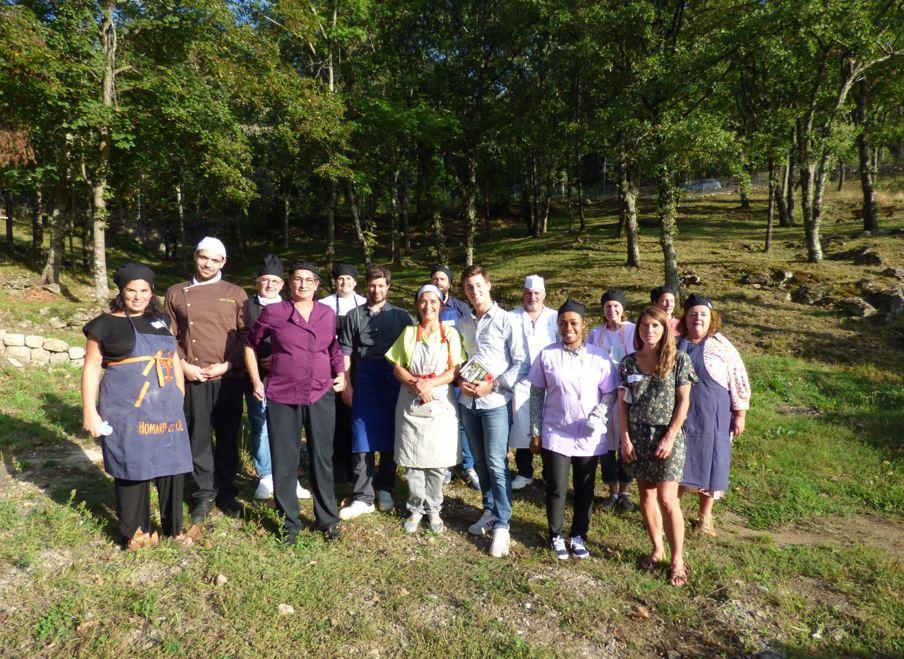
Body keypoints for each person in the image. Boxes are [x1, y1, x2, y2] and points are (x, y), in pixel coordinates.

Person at [82, 263, 193, 549]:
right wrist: (89, 411)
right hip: (126, 408)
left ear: (151, 292)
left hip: (166, 406)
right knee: (131, 465)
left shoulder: (163, 321)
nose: (138, 296)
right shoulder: (104, 325)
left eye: (144, 291)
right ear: (121, 291)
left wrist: (179, 394)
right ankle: (135, 533)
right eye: (132, 290)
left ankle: (173, 529)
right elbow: (91, 368)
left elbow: (172, 358)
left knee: (172, 464)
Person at [244, 262, 346, 544]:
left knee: (321, 458)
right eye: (298, 279)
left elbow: (333, 347)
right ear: (289, 283)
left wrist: (341, 373)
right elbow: (250, 344)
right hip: (283, 395)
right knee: (285, 459)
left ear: (317, 285)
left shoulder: (326, 313)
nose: (302, 285)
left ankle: (327, 520)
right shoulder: (275, 312)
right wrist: (256, 380)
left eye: (309, 280)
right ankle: (290, 523)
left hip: (320, 393)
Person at [164, 237, 248, 524]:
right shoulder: (176, 292)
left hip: (228, 377)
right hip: (194, 376)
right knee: (198, 436)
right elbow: (169, 336)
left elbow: (247, 335)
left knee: (227, 435)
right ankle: (203, 493)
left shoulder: (236, 293)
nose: (208, 264)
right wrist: (183, 365)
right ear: (195, 257)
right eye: (204, 258)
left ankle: (226, 491)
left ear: (223, 262)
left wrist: (228, 364)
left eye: (214, 260)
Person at [527, 299, 618, 560]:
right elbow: (536, 394)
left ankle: (579, 535)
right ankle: (556, 534)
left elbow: (610, 392)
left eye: (573, 323)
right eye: (563, 323)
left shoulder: (599, 357)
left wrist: (600, 413)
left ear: (583, 324)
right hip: (555, 432)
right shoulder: (547, 355)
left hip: (588, 435)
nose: (568, 328)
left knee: (584, 487)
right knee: (556, 486)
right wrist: (535, 430)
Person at [618, 306, 697, 587]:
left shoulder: (679, 360)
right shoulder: (628, 363)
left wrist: (670, 436)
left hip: (667, 436)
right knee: (647, 495)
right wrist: (625, 438)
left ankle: (677, 561)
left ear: (665, 330)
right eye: (644, 326)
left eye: (655, 326)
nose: (649, 331)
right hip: (638, 436)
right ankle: (657, 549)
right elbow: (623, 405)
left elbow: (684, 401)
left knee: (667, 498)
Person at [456, 265, 527, 558]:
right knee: (480, 463)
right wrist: (460, 380)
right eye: (469, 287)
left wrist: (494, 385)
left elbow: (522, 362)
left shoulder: (508, 320)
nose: (475, 291)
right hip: (467, 403)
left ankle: (502, 524)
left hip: (495, 403)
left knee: (497, 464)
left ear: (488, 285)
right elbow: (459, 360)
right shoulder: (463, 323)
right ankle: (489, 509)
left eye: (478, 285)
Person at [385, 284, 467, 534]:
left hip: (440, 401)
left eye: (433, 302)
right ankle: (415, 508)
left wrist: (429, 384)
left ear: (441, 305)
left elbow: (455, 370)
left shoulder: (450, 334)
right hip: (411, 401)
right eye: (423, 301)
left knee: (437, 461)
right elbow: (397, 367)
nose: (427, 306)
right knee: (413, 460)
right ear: (417, 304)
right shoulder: (409, 333)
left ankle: (434, 509)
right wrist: (417, 384)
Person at [339, 266, 414, 520]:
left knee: (391, 436)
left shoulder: (402, 317)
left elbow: (414, 351)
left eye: (381, 285)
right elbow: (345, 353)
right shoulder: (353, 316)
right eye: (372, 285)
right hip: (364, 378)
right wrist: (347, 385)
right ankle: (363, 496)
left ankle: (385, 488)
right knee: (361, 437)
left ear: (388, 287)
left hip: (394, 379)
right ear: (366, 286)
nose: (376, 289)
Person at [677, 294, 750, 536]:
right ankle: (671, 511)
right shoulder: (675, 343)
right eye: (692, 314)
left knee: (712, 463)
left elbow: (738, 378)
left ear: (712, 318)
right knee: (677, 462)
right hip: (681, 414)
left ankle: (705, 517)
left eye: (703, 314)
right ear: (685, 318)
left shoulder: (721, 345)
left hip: (713, 415)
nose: (697, 318)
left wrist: (740, 413)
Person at [244, 255, 311, 501]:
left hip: (288, 380)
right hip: (257, 377)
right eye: (265, 280)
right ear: (257, 282)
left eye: (275, 281)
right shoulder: (245, 307)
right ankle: (266, 475)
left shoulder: (293, 306)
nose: (270, 285)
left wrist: (279, 358)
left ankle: (289, 476)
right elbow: (244, 341)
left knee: (288, 429)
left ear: (283, 284)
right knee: (261, 425)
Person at [430, 264, 480, 491]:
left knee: (463, 421)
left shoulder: (461, 307)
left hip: (458, 371)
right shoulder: (427, 305)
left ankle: (468, 465)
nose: (438, 282)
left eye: (442, 279)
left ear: (449, 283)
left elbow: (468, 340)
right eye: (435, 278)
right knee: (440, 420)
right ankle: (444, 464)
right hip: (435, 372)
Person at [587, 289, 637, 513]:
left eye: (616, 306)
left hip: (628, 395)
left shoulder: (633, 330)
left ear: (623, 309)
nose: (612, 310)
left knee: (626, 442)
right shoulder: (595, 333)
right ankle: (612, 491)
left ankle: (625, 491)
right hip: (604, 396)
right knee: (606, 445)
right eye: (608, 306)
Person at [509, 274, 558, 490]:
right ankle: (524, 471)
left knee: (548, 426)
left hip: (549, 381)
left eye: (537, 293)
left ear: (544, 295)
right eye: (528, 293)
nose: (532, 297)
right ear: (523, 294)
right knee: (522, 426)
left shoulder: (554, 317)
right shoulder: (512, 316)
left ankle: (549, 472)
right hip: (521, 381)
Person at [320, 263, 366, 483]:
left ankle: (355, 466)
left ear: (355, 283)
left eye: (348, 279)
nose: (344, 282)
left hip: (356, 366)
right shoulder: (324, 304)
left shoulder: (364, 304)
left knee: (354, 416)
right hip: (329, 366)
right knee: (335, 417)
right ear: (335, 282)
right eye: (341, 279)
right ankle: (337, 467)